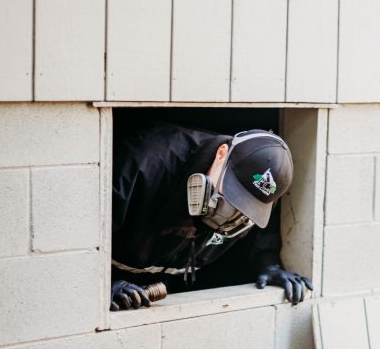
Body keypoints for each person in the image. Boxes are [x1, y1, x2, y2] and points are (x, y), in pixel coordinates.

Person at [109, 121, 313, 310]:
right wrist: (99, 285)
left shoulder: (257, 206)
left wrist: (268, 262)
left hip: (165, 287)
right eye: (233, 194)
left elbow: (260, 231)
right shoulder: (141, 165)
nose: (231, 213)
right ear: (221, 154)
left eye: (246, 206)